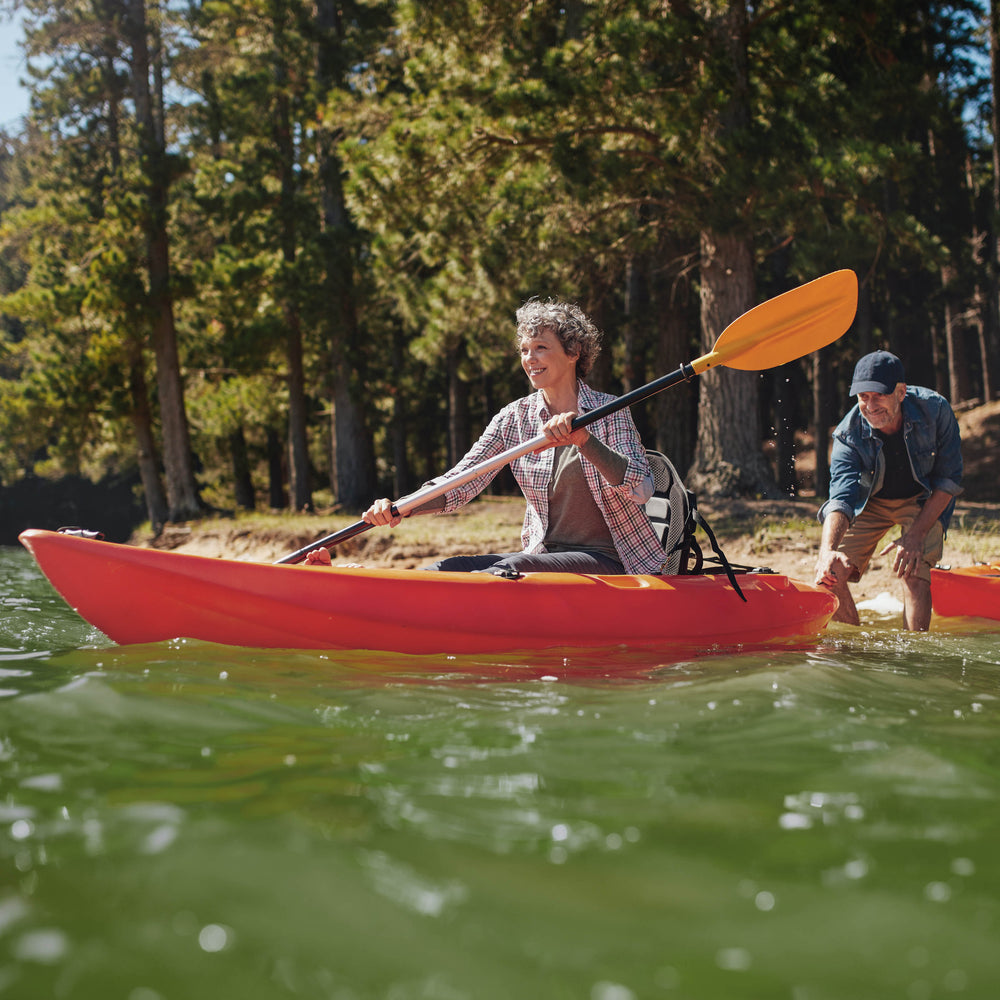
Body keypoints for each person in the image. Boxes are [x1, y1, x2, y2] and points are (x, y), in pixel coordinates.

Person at [307, 298, 669, 576]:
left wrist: (584, 440)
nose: (530, 359)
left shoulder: (610, 411)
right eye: (524, 350)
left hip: (611, 560)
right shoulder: (515, 418)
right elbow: (462, 482)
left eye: (541, 347)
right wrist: (401, 507)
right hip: (544, 555)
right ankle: (370, 592)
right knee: (448, 569)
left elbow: (640, 487)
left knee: (503, 572)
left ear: (573, 353)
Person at [814, 350, 963, 631]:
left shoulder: (937, 410)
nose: (870, 406)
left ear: (901, 392)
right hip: (869, 502)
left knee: (913, 574)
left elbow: (948, 481)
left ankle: (914, 658)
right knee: (829, 575)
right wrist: (826, 551)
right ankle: (857, 658)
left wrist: (915, 536)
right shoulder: (848, 434)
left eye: (878, 396)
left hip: (922, 499)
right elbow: (841, 498)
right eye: (863, 397)